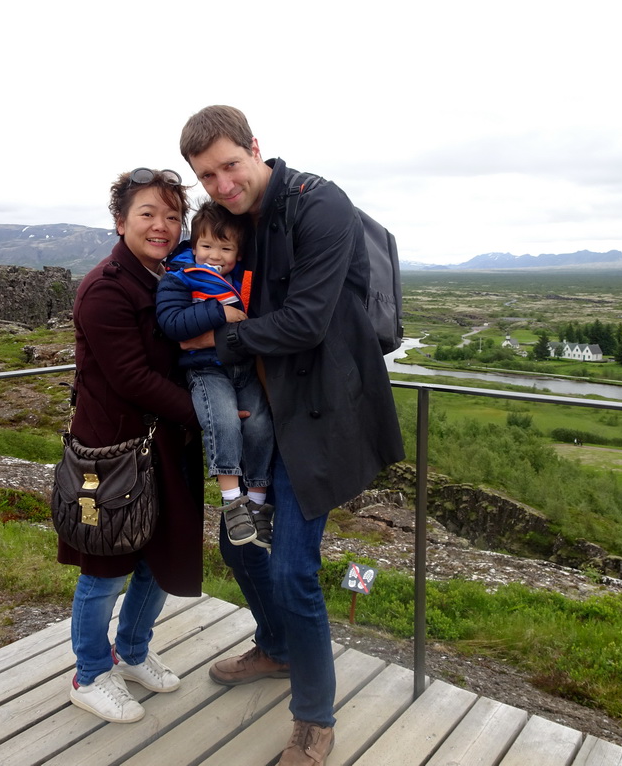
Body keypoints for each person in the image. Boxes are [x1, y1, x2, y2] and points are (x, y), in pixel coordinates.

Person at [178, 106, 405, 764]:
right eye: (206, 176)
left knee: (292, 566)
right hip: (263, 418)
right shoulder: (233, 220)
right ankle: (277, 646)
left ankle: (315, 720)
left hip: (319, 417)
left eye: (229, 165)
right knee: (240, 541)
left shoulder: (318, 204)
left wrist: (217, 339)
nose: (222, 183)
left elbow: (306, 322)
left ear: (255, 147)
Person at [57, 167, 204, 724]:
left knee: (159, 556)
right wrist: (208, 418)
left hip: (162, 446)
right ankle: (90, 672)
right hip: (111, 454)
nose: (162, 225)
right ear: (121, 222)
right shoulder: (105, 288)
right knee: (106, 566)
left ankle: (134, 652)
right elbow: (131, 377)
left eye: (172, 215)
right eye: (148, 213)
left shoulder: (167, 276)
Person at [156, 200, 275, 549]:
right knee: (223, 421)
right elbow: (173, 325)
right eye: (207, 246)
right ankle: (231, 500)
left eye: (226, 248)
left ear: (238, 254)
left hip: (242, 368)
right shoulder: (178, 280)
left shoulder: (245, 281)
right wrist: (220, 312)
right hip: (205, 370)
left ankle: (256, 504)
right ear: (194, 248)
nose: (215, 255)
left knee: (260, 425)